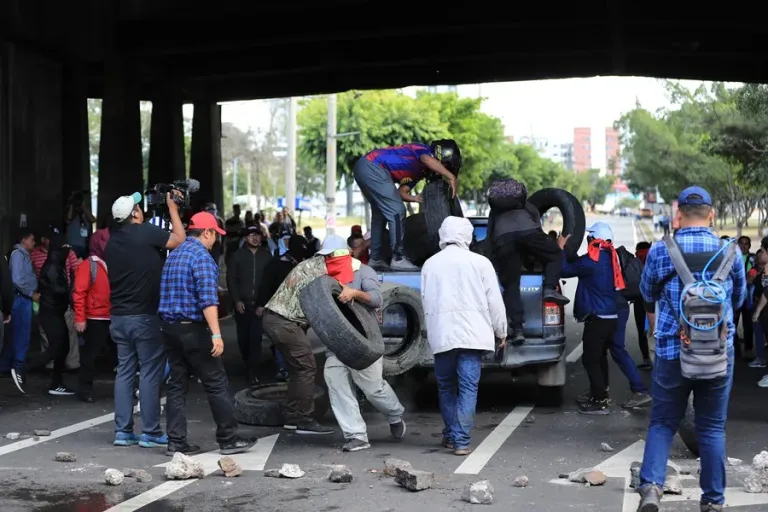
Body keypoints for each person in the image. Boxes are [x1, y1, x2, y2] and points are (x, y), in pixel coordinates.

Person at [636, 186, 745, 512]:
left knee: (662, 423)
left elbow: (646, 293)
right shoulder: (731, 251)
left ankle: (651, 489)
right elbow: (739, 298)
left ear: (678, 215)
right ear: (712, 215)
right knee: (711, 428)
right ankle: (713, 501)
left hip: (673, 350)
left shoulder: (661, 250)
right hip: (717, 353)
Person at [158, 212, 257, 456]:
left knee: (177, 385)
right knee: (216, 382)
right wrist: (216, 334)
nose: (215, 240)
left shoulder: (174, 254)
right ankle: (228, 439)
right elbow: (208, 301)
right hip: (193, 329)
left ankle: (175, 441)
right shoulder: (202, 257)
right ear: (206, 233)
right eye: (215, 234)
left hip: (169, 329)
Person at [105, 191, 186, 448]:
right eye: (138, 207)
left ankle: (123, 432)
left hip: (119, 317)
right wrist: (173, 209)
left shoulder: (111, 242)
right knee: (150, 372)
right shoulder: (146, 232)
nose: (142, 210)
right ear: (135, 214)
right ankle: (150, 432)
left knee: (125, 371)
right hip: (144, 316)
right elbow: (179, 240)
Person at [421, 217, 507, 456]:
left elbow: (425, 302)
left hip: (443, 334)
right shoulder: (481, 263)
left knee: (446, 387)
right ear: (468, 236)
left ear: (443, 234)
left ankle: (451, 435)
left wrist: (430, 332)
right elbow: (494, 301)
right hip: (473, 335)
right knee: (468, 387)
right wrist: (501, 331)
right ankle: (461, 440)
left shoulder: (430, 264)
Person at [322, 235, 406, 452]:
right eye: (327, 256)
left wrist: (354, 293)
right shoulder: (323, 277)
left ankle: (394, 415)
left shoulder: (363, 272)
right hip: (337, 343)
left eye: (334, 254)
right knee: (337, 386)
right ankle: (356, 435)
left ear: (347, 253)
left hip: (364, 342)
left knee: (373, 389)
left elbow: (376, 299)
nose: (330, 259)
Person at [261, 235, 351, 435]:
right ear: (334, 255)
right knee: (307, 367)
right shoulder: (321, 273)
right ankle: (303, 419)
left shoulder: (311, 265)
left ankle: (292, 416)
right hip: (284, 322)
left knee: (298, 369)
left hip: (275, 319)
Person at [353, 140, 461, 271]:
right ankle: (398, 258)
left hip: (366, 168)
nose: (441, 170)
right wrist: (451, 177)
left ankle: (375, 259)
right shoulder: (424, 150)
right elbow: (426, 159)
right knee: (397, 211)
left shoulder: (420, 172)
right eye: (444, 166)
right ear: (440, 155)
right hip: (372, 166)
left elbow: (401, 192)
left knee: (380, 216)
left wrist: (415, 198)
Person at [489, 180, 569, 345]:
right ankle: (549, 289)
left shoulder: (495, 211)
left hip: (503, 239)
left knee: (511, 284)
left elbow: (491, 236)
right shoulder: (528, 206)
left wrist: (497, 259)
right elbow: (536, 230)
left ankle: (518, 329)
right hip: (529, 233)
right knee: (554, 254)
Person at [558, 222, 625, 415]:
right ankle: (601, 392)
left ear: (593, 238)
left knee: (590, 359)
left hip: (598, 318)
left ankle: (600, 401)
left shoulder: (591, 261)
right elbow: (579, 264)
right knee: (600, 357)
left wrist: (560, 248)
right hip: (611, 317)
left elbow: (564, 270)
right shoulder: (611, 258)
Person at [30, 236, 76, 395]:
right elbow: (58, 290)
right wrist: (73, 291)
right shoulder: (53, 266)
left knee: (63, 347)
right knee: (57, 348)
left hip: (55, 311)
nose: (69, 252)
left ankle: (57, 383)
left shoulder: (57, 263)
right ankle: (23, 368)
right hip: (50, 312)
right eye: (66, 248)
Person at [227, 226, 272, 387]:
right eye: (251, 235)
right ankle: (247, 365)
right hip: (242, 306)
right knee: (243, 339)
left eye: (257, 235)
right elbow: (231, 280)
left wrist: (263, 304)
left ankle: (252, 372)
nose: (255, 238)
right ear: (245, 238)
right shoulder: (237, 256)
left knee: (256, 339)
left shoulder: (266, 256)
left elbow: (269, 282)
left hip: (259, 306)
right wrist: (236, 300)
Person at [256, 234, 305, 382]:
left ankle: (294, 369)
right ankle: (283, 368)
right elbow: (265, 285)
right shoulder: (276, 264)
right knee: (282, 340)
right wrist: (261, 304)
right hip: (280, 309)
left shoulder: (304, 264)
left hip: (299, 311)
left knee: (296, 341)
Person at [0, 229, 38, 393]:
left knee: (15, 334)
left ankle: (5, 366)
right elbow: (16, 280)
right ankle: (18, 367)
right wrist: (31, 293)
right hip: (21, 299)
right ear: (24, 240)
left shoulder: (23, 255)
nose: (34, 242)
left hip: (23, 298)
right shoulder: (18, 255)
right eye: (32, 239)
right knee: (22, 334)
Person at [72, 250, 111, 403]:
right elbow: (79, 292)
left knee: (108, 354)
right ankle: (85, 389)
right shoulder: (89, 265)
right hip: (95, 316)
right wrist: (80, 318)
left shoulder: (107, 263)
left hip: (108, 314)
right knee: (90, 355)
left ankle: (86, 388)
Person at [633, 242, 653, 370]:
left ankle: (646, 359)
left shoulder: (635, 261)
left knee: (641, 331)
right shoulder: (654, 258)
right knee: (654, 328)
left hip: (639, 299)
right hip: (653, 299)